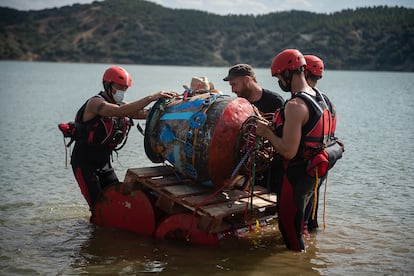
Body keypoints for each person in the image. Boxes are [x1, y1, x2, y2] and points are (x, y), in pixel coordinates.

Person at [70, 66, 178, 214]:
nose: (122, 91)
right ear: (108, 85)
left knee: (116, 200)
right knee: (97, 207)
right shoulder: (95, 103)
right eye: (119, 87)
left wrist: (170, 107)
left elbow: (145, 113)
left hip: (104, 162)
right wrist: (151, 97)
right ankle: (96, 234)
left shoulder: (122, 105)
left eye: (125, 88)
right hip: (84, 163)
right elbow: (120, 112)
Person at [255, 49, 333, 252]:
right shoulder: (323, 98)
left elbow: (288, 151)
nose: (279, 82)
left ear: (287, 73)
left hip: (296, 175)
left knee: (290, 234)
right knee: (301, 225)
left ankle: (298, 267)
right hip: (316, 170)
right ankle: (308, 262)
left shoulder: (295, 105)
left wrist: (266, 133)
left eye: (279, 76)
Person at [223, 63, 285, 193]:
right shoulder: (240, 104)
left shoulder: (275, 101)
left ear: (247, 80)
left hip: (268, 168)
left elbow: (282, 137)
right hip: (245, 166)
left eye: (234, 84)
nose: (232, 90)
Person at [303, 55, 337, 233]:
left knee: (304, 203)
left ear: (304, 72)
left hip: (309, 163)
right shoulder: (325, 100)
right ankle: (313, 245)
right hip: (324, 160)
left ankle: (304, 241)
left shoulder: (303, 101)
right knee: (313, 198)